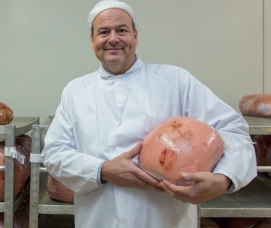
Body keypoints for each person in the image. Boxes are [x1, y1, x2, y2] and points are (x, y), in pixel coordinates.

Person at [41, 0, 257, 227]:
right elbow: (54, 153)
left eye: (122, 30)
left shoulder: (176, 81)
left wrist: (223, 180)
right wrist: (102, 171)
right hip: (99, 219)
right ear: (93, 40)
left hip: (165, 219)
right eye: (103, 32)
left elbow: (234, 131)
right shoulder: (75, 92)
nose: (113, 38)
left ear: (135, 36)